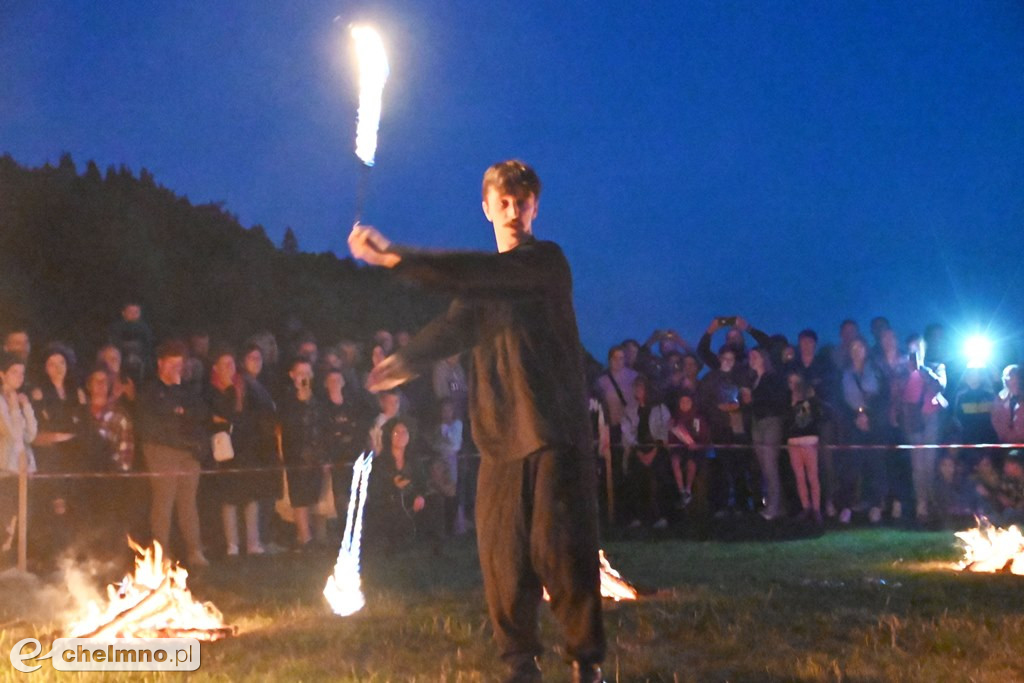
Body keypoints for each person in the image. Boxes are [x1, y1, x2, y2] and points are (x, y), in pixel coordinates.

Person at [348, 160, 604, 682]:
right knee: (504, 558)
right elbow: (452, 327)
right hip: (499, 438)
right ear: (486, 207)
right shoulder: (483, 288)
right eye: (502, 202)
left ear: (535, 207)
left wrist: (397, 257)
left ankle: (584, 662)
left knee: (563, 553)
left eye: (522, 202)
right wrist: (406, 360)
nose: (512, 212)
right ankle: (519, 663)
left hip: (552, 432)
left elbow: (474, 272)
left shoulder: (545, 263)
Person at [136, 340, 209, 567]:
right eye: (171, 364)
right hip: (161, 450)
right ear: (160, 364)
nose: (175, 369)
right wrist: (175, 411)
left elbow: (198, 415)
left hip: (187, 452)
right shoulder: (150, 391)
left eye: (179, 364)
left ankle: (194, 551)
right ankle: (161, 555)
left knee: (188, 503)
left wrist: (180, 408)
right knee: (164, 503)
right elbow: (154, 422)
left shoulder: (188, 390)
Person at [0, 354, 37, 561]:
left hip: (24, 469)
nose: (19, 377)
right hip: (6, 470)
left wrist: (26, 407)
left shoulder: (19, 400)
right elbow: (10, 433)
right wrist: (13, 407)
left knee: (22, 520)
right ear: (2, 375)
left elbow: (29, 435)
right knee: (6, 522)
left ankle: (17, 563)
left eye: (22, 373)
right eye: (14, 372)